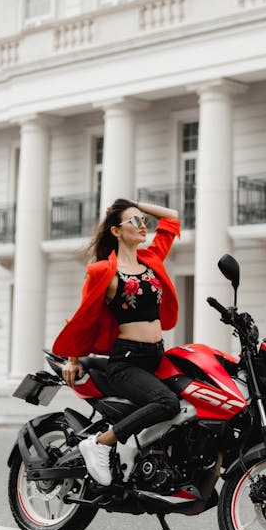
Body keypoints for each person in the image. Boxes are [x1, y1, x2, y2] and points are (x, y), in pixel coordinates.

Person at [52, 198, 181, 487]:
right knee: (167, 404)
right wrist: (72, 359)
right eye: (134, 221)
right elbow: (83, 316)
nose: (142, 225)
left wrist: (134, 205)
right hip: (127, 361)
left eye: (143, 220)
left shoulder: (152, 260)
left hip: (157, 356)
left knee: (190, 405)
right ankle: (101, 443)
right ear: (116, 232)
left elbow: (172, 218)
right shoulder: (102, 271)